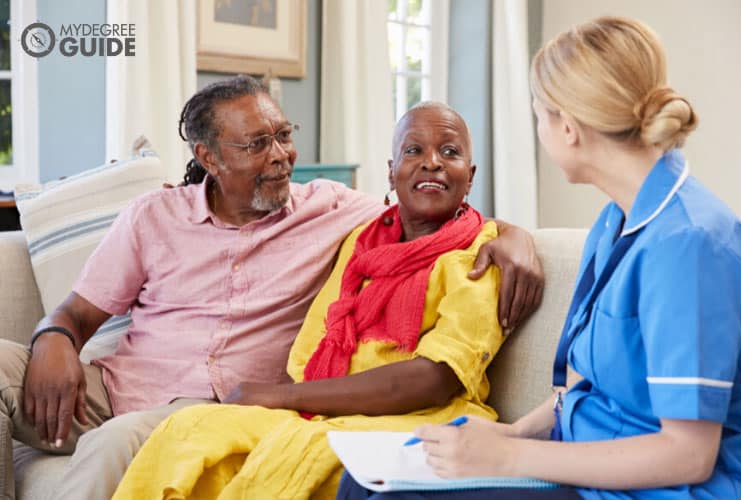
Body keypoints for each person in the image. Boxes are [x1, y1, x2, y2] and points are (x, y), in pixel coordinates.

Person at [0, 76, 543, 499]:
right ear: (208, 158)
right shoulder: (153, 216)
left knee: (114, 443)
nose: (280, 155)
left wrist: (515, 235)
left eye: (284, 136)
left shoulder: (332, 209)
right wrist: (54, 339)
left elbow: (432, 204)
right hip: (116, 389)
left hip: (211, 407)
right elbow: (75, 314)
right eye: (257, 144)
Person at [337, 16, 741, 500]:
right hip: (582, 471)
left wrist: (509, 457)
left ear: (568, 127)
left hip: (657, 492)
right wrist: (509, 434)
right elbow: (582, 387)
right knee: (364, 480)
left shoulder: (691, 246)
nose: (539, 127)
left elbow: (687, 455)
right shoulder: (615, 222)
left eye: (539, 113)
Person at [111, 101, 509, 499]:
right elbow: (311, 348)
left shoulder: (481, 255)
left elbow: (435, 380)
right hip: (326, 409)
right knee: (188, 430)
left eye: (450, 152)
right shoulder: (364, 240)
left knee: (292, 456)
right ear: (390, 171)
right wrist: (289, 402)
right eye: (413, 151)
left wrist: (279, 397)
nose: (432, 163)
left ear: (470, 177)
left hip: (421, 419)